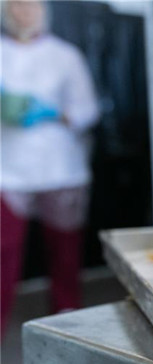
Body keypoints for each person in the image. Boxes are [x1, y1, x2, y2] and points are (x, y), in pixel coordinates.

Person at [1, 0, 100, 337]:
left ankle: (67, 326)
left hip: (60, 167)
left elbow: (88, 110)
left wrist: (52, 112)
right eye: (16, 6)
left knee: (65, 252)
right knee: (3, 253)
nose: (23, 12)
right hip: (7, 170)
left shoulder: (66, 56)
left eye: (30, 5)